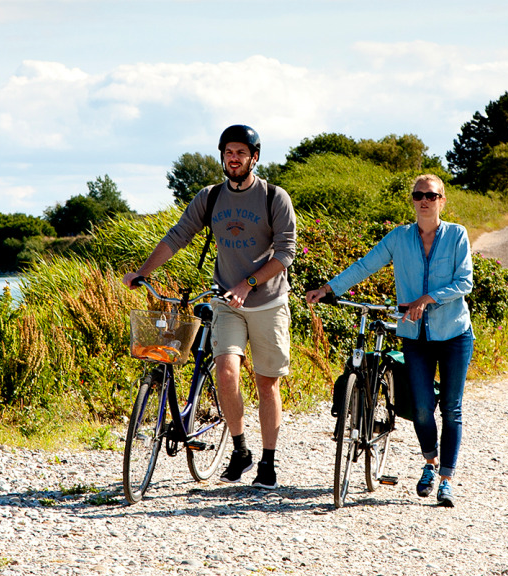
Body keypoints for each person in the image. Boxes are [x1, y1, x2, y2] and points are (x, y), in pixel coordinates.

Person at [123, 125, 297, 489]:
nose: (233, 158)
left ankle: (267, 462)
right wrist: (142, 271)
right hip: (226, 303)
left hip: (268, 302)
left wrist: (247, 284)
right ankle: (240, 449)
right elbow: (177, 236)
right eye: (228, 152)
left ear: (254, 157)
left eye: (240, 153)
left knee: (267, 384)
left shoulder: (273, 197)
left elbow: (285, 253)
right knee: (226, 370)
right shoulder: (211, 197)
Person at [305, 174, 473, 507]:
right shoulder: (399, 237)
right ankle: (430, 463)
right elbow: (365, 265)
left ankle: (446, 480)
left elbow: (464, 282)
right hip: (414, 335)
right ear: (412, 200)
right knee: (423, 408)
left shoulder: (457, 235)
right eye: (418, 195)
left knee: (451, 408)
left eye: (431, 195)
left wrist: (427, 298)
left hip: (454, 333)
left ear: (442, 200)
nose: (424, 200)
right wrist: (328, 289)